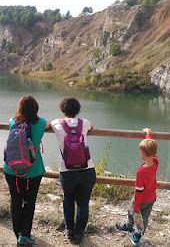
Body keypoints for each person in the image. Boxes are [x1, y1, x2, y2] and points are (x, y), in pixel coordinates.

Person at [4, 95, 51, 246]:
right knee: (29, 202)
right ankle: (25, 235)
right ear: (36, 108)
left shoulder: (13, 121)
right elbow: (50, 123)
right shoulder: (42, 122)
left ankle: (17, 233)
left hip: (12, 170)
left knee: (15, 200)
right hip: (33, 171)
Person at [51, 97, 96, 245]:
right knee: (83, 203)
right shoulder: (85, 123)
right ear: (77, 110)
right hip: (87, 170)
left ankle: (69, 231)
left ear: (62, 111)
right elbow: (92, 127)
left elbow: (46, 123)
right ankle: (79, 234)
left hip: (67, 171)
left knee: (68, 199)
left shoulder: (56, 123)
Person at [115, 128, 159, 247]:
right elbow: (151, 149)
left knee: (133, 213)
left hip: (141, 200)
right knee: (145, 217)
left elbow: (139, 191)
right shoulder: (155, 162)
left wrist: (136, 206)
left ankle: (132, 230)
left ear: (142, 154)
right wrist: (148, 135)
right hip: (151, 198)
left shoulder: (141, 172)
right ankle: (139, 233)